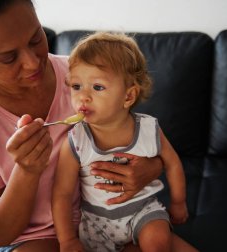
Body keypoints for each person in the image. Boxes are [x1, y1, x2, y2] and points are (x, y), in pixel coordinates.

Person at [0, 0, 163, 251]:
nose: (32, 63)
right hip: (29, 238)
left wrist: (151, 167)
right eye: (8, 58)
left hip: (103, 219)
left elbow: (136, 140)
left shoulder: (82, 75)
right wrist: (27, 172)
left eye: (35, 39)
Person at [52, 32, 197, 252]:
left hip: (143, 212)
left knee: (158, 244)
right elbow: (62, 193)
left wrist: (178, 202)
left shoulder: (148, 129)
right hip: (96, 223)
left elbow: (173, 163)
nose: (83, 97)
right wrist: (67, 240)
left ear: (128, 97)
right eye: (76, 86)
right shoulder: (76, 140)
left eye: (97, 87)